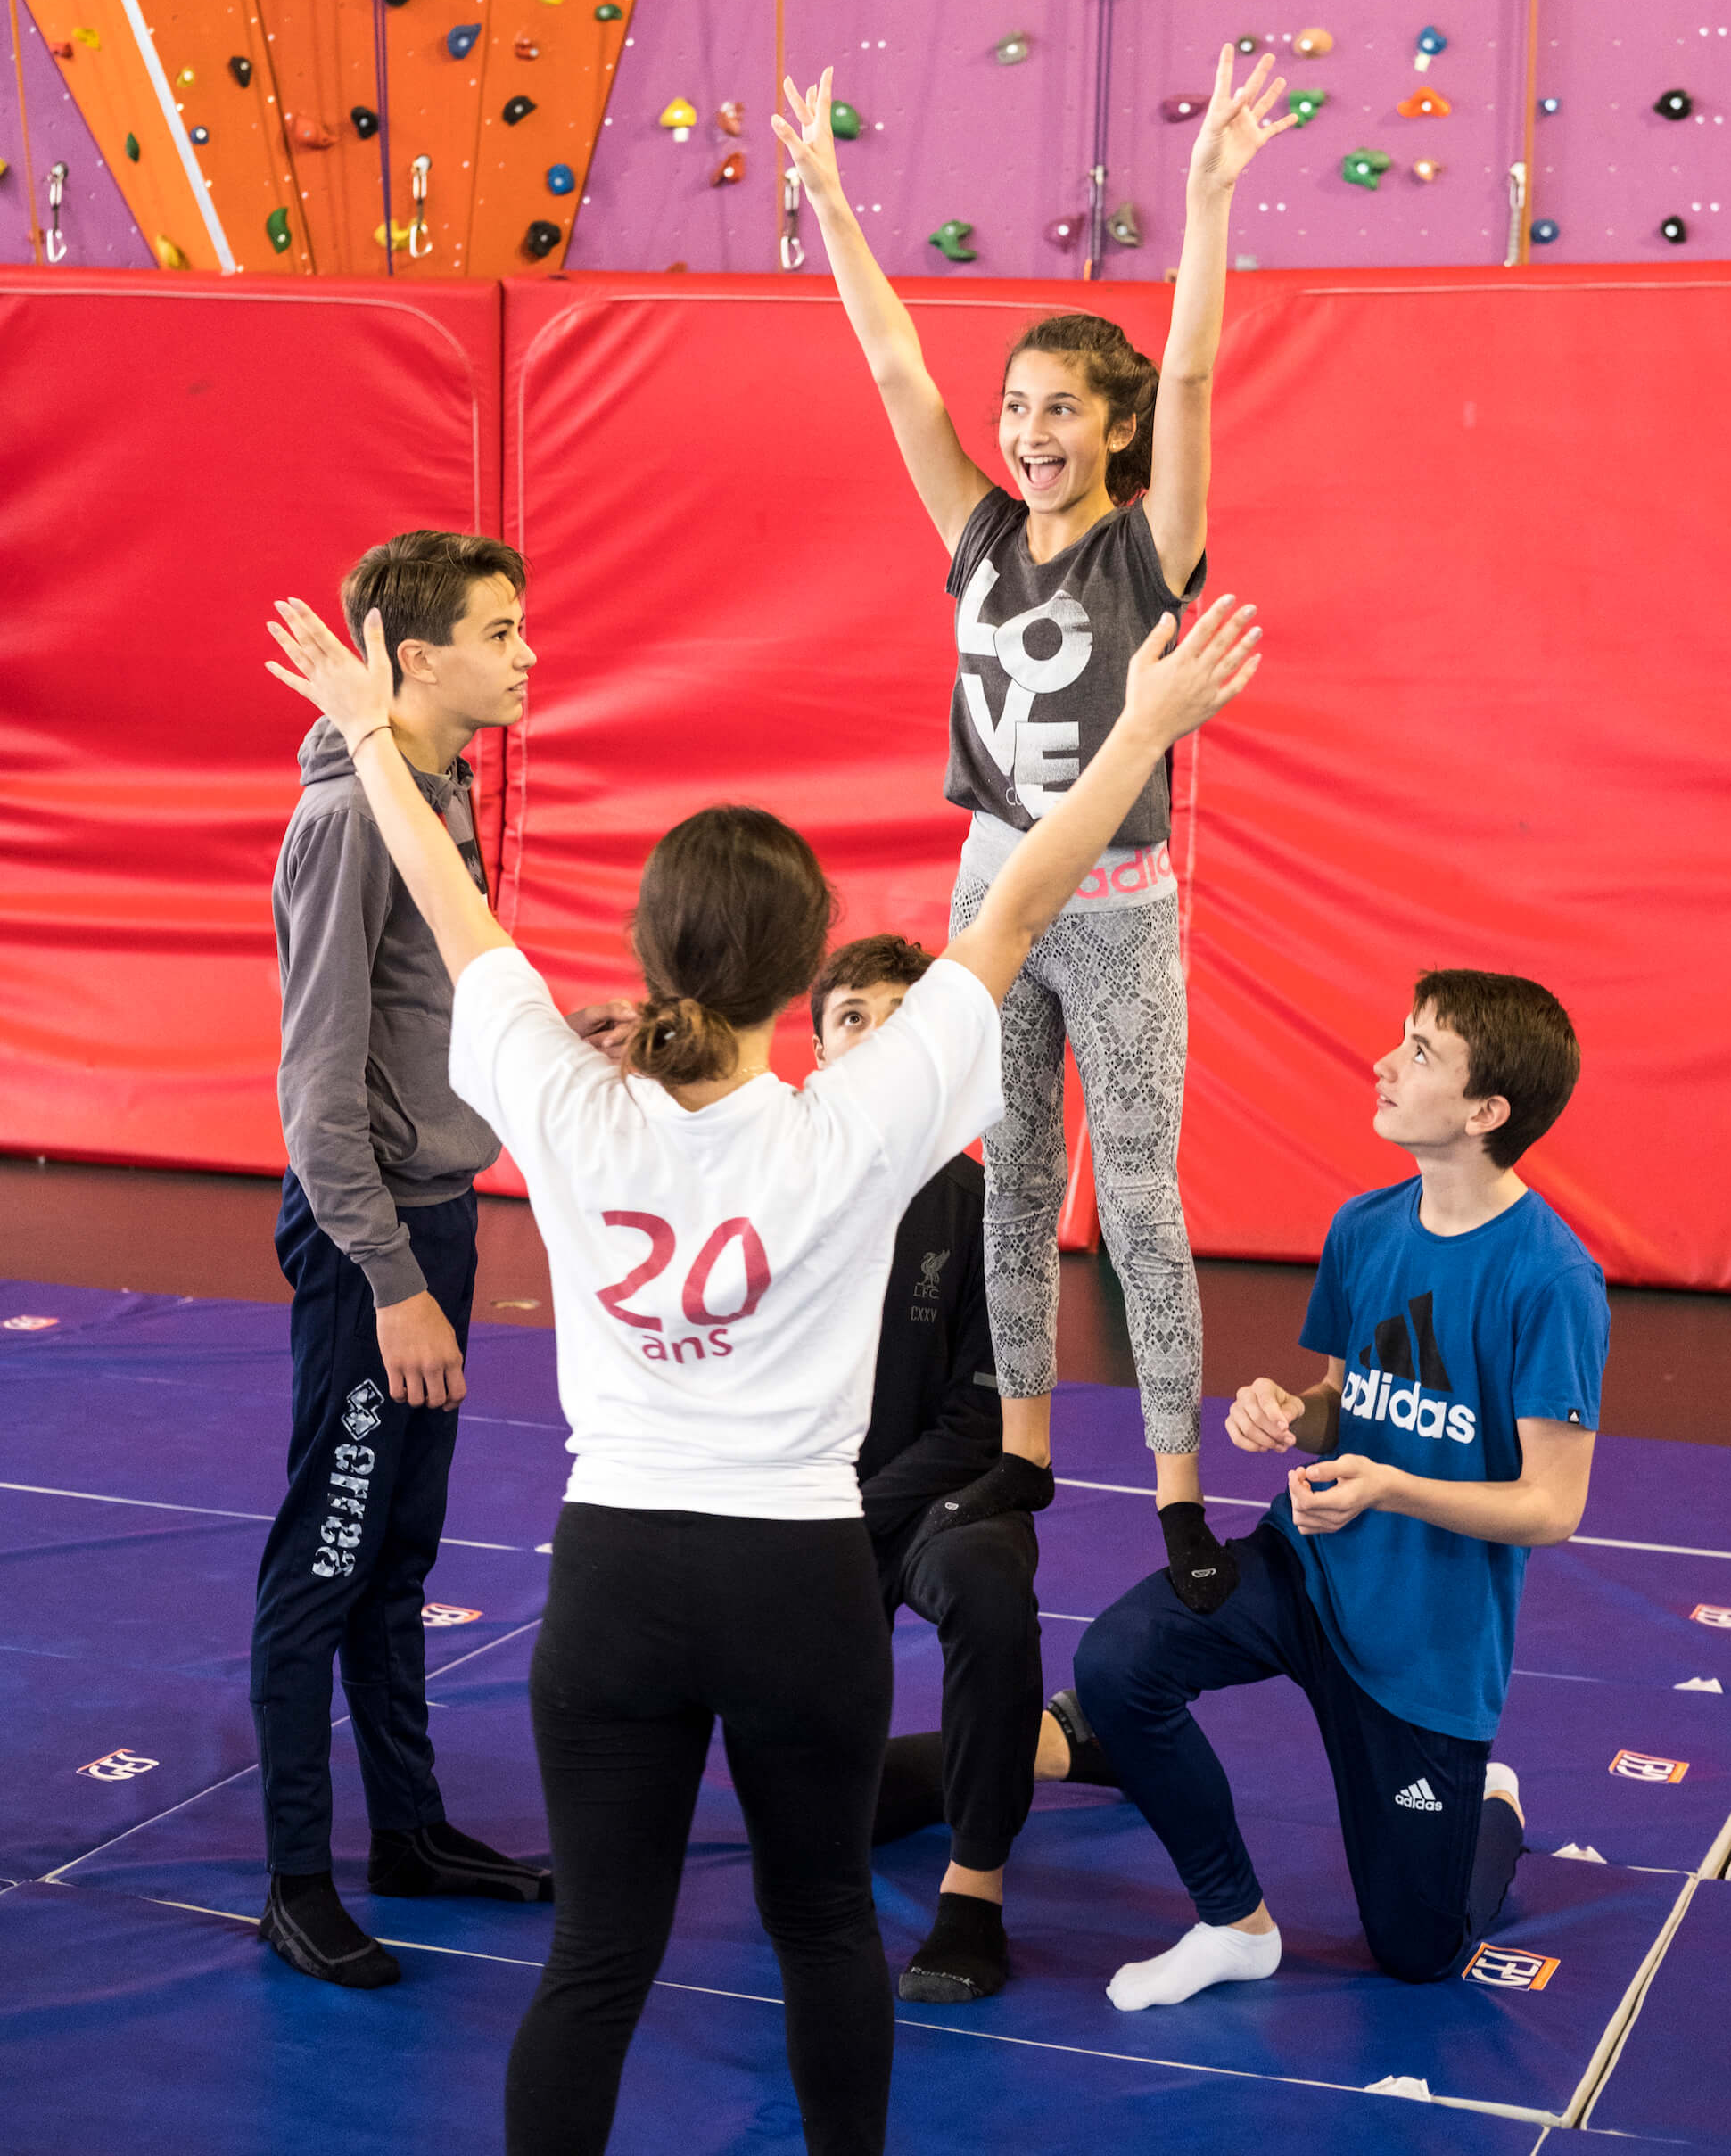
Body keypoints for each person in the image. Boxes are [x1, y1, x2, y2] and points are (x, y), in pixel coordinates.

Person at [262, 579, 1261, 2156]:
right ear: (804, 985)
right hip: (795, 1581)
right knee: (821, 1934)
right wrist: (1143, 725)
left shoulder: (563, 1093)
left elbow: (454, 910)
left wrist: (358, 728)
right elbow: (1012, 910)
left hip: (614, 1582)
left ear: (653, 949)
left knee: (595, 1961)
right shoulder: (855, 1119)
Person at [772, 50, 1297, 1617]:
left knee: (1135, 1194)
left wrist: (1204, 202)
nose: (1026, 431)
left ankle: (1179, 1484)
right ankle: (1022, 1440)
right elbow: (893, 376)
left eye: (1061, 409)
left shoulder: (1152, 548)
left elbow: (1198, 380)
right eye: (1017, 407)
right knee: (1009, 1173)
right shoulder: (983, 536)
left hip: (1120, 901)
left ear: (1118, 424)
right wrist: (832, 208)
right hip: (995, 877)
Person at [1073, 971, 1608, 2008]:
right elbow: (1340, 1397)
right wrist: (1281, 1407)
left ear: (1485, 1111)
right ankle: (1233, 1923)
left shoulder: (1550, 1280)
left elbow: (1552, 1506)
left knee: (1415, 1949)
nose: (1383, 1062)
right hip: (1308, 1566)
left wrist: (1391, 1489)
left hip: (1424, 1643)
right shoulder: (1365, 1227)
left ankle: (1484, 1812)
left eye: (1418, 1052)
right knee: (1117, 1665)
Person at [251, 531, 548, 1992]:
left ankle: (410, 1833)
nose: (526, 653)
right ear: (414, 659)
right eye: (500, 631)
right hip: (371, 1237)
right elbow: (316, 1093)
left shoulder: (433, 785)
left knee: (400, 1555)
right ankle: (297, 1881)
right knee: (327, 1554)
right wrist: (388, 1281)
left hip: (435, 1207)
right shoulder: (353, 821)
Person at [808, 935, 1119, 2009]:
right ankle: (1057, 1745)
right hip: (800, 1501)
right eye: (852, 1015)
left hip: (934, 1498)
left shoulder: (997, 1212)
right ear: (812, 1049)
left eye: (904, 1015)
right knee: (812, 1821)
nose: (877, 1033)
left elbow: (982, 1421)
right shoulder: (765, 1181)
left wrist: (844, 1516)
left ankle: (972, 1889)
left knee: (988, 1588)